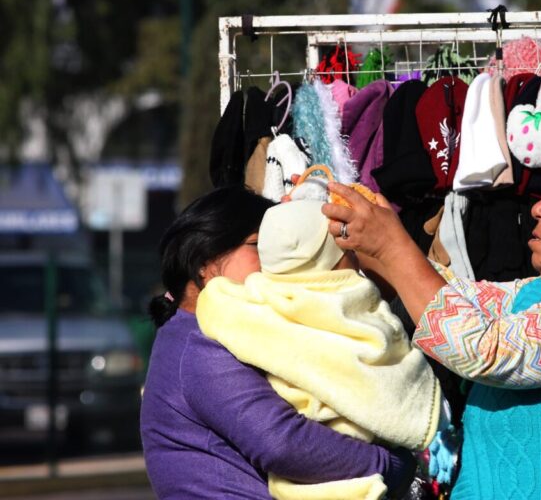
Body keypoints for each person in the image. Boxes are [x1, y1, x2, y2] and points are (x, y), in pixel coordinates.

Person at [322, 132, 541, 499]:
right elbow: (459, 300)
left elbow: (483, 347)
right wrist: (367, 243)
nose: (539, 208)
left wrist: (392, 246)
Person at [140, 186, 415, 499]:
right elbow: (283, 443)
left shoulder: (211, 333)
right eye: (259, 246)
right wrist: (392, 465)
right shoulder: (200, 346)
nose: (275, 262)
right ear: (204, 262)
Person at [195, 198, 445, 500]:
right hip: (357, 465)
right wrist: (416, 435)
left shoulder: (248, 306)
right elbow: (383, 379)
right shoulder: (345, 305)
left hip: (304, 484)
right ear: (335, 254)